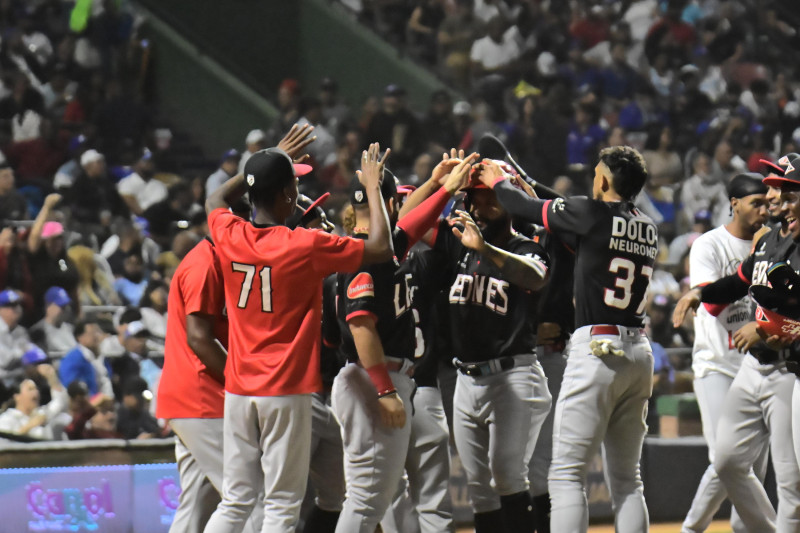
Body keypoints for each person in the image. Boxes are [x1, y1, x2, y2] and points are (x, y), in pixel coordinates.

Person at [202, 130, 393, 532]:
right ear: (288, 196)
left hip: (238, 389)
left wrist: (266, 159)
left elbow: (215, 199)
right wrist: (373, 190)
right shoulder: (304, 244)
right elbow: (380, 247)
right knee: (283, 505)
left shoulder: (229, 233)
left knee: (235, 501)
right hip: (284, 390)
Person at [483, 145, 655, 532]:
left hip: (598, 349)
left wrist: (499, 180)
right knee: (628, 482)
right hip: (638, 352)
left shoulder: (589, 212)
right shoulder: (647, 225)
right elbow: (558, 207)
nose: (593, 178)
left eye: (597, 172)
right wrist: (526, 180)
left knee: (565, 477)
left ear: (606, 179)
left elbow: (522, 206)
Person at [333, 152, 476, 533]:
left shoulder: (377, 246)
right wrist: (384, 390)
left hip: (379, 377)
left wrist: (440, 186)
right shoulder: (366, 255)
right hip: (373, 378)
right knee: (367, 498)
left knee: (372, 497)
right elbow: (361, 325)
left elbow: (414, 222)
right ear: (390, 203)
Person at [672, 157, 800, 533]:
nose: (774, 198)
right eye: (773, 190)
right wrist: (700, 292)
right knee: (726, 460)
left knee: (790, 480)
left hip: (789, 371)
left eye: (783, 191)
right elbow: (739, 280)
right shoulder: (773, 240)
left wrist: (767, 327)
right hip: (750, 369)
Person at [157, 197, 262, 533]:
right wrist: (242, 381)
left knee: (198, 504)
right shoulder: (204, 264)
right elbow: (199, 339)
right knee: (251, 497)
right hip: (202, 398)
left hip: (192, 398)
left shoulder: (221, 259)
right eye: (244, 224)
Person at [681, 173, 770, 533]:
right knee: (724, 459)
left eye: (767, 202)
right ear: (734, 203)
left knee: (753, 469)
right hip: (717, 363)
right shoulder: (709, 244)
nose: (765, 210)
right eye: (756, 203)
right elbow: (712, 305)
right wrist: (752, 262)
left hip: (758, 366)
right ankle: (692, 528)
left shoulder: (774, 243)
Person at [0, 364, 67, 443]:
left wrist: (52, 377)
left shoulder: (41, 414)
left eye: (36, 389)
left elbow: (60, 402)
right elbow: (4, 444)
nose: (36, 392)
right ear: (17, 396)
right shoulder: (8, 418)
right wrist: (29, 426)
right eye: (30, 389)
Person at [58, 318, 113, 397]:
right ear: (80, 337)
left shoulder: (102, 357)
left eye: (98, 332)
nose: (96, 336)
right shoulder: (72, 359)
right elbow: (72, 387)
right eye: (92, 333)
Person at [117, 148, 167, 216]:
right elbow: (138, 211)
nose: (150, 164)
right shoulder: (125, 183)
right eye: (145, 161)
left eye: (151, 161)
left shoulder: (160, 186)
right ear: (135, 164)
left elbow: (157, 211)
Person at [30, 286, 75, 355]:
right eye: (62, 306)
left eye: (67, 306)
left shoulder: (70, 328)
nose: (66, 309)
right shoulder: (39, 331)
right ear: (48, 306)